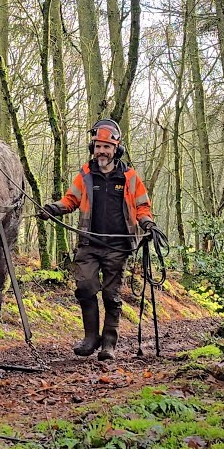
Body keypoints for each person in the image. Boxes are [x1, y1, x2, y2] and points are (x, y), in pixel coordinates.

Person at [38, 119, 156, 360]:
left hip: (118, 246)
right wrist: (53, 209)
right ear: (93, 148)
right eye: (98, 146)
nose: (101, 151)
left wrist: (147, 223)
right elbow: (70, 200)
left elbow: (142, 206)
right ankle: (91, 338)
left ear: (116, 149)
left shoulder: (130, 177)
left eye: (106, 147)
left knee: (111, 296)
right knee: (85, 288)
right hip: (89, 244)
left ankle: (109, 344)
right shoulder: (85, 175)